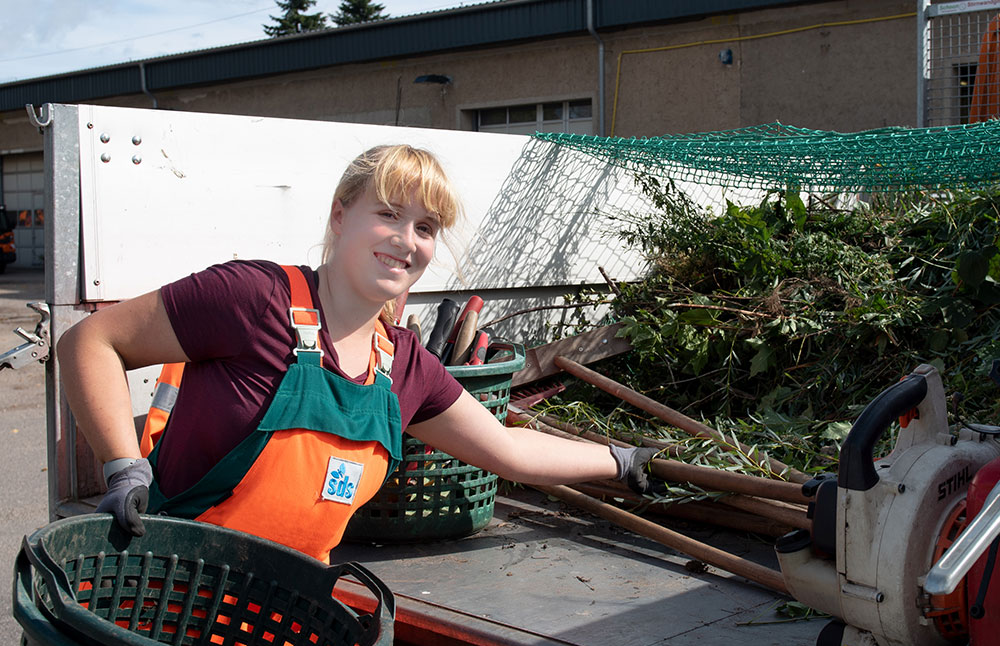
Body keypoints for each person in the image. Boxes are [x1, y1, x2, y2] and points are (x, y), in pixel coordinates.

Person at [58, 144, 655, 561]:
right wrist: (122, 465)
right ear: (341, 216)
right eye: (389, 215)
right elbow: (92, 340)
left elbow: (508, 451)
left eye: (426, 227)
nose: (407, 240)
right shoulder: (253, 299)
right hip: (166, 588)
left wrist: (619, 462)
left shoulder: (402, 364)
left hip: (279, 622)